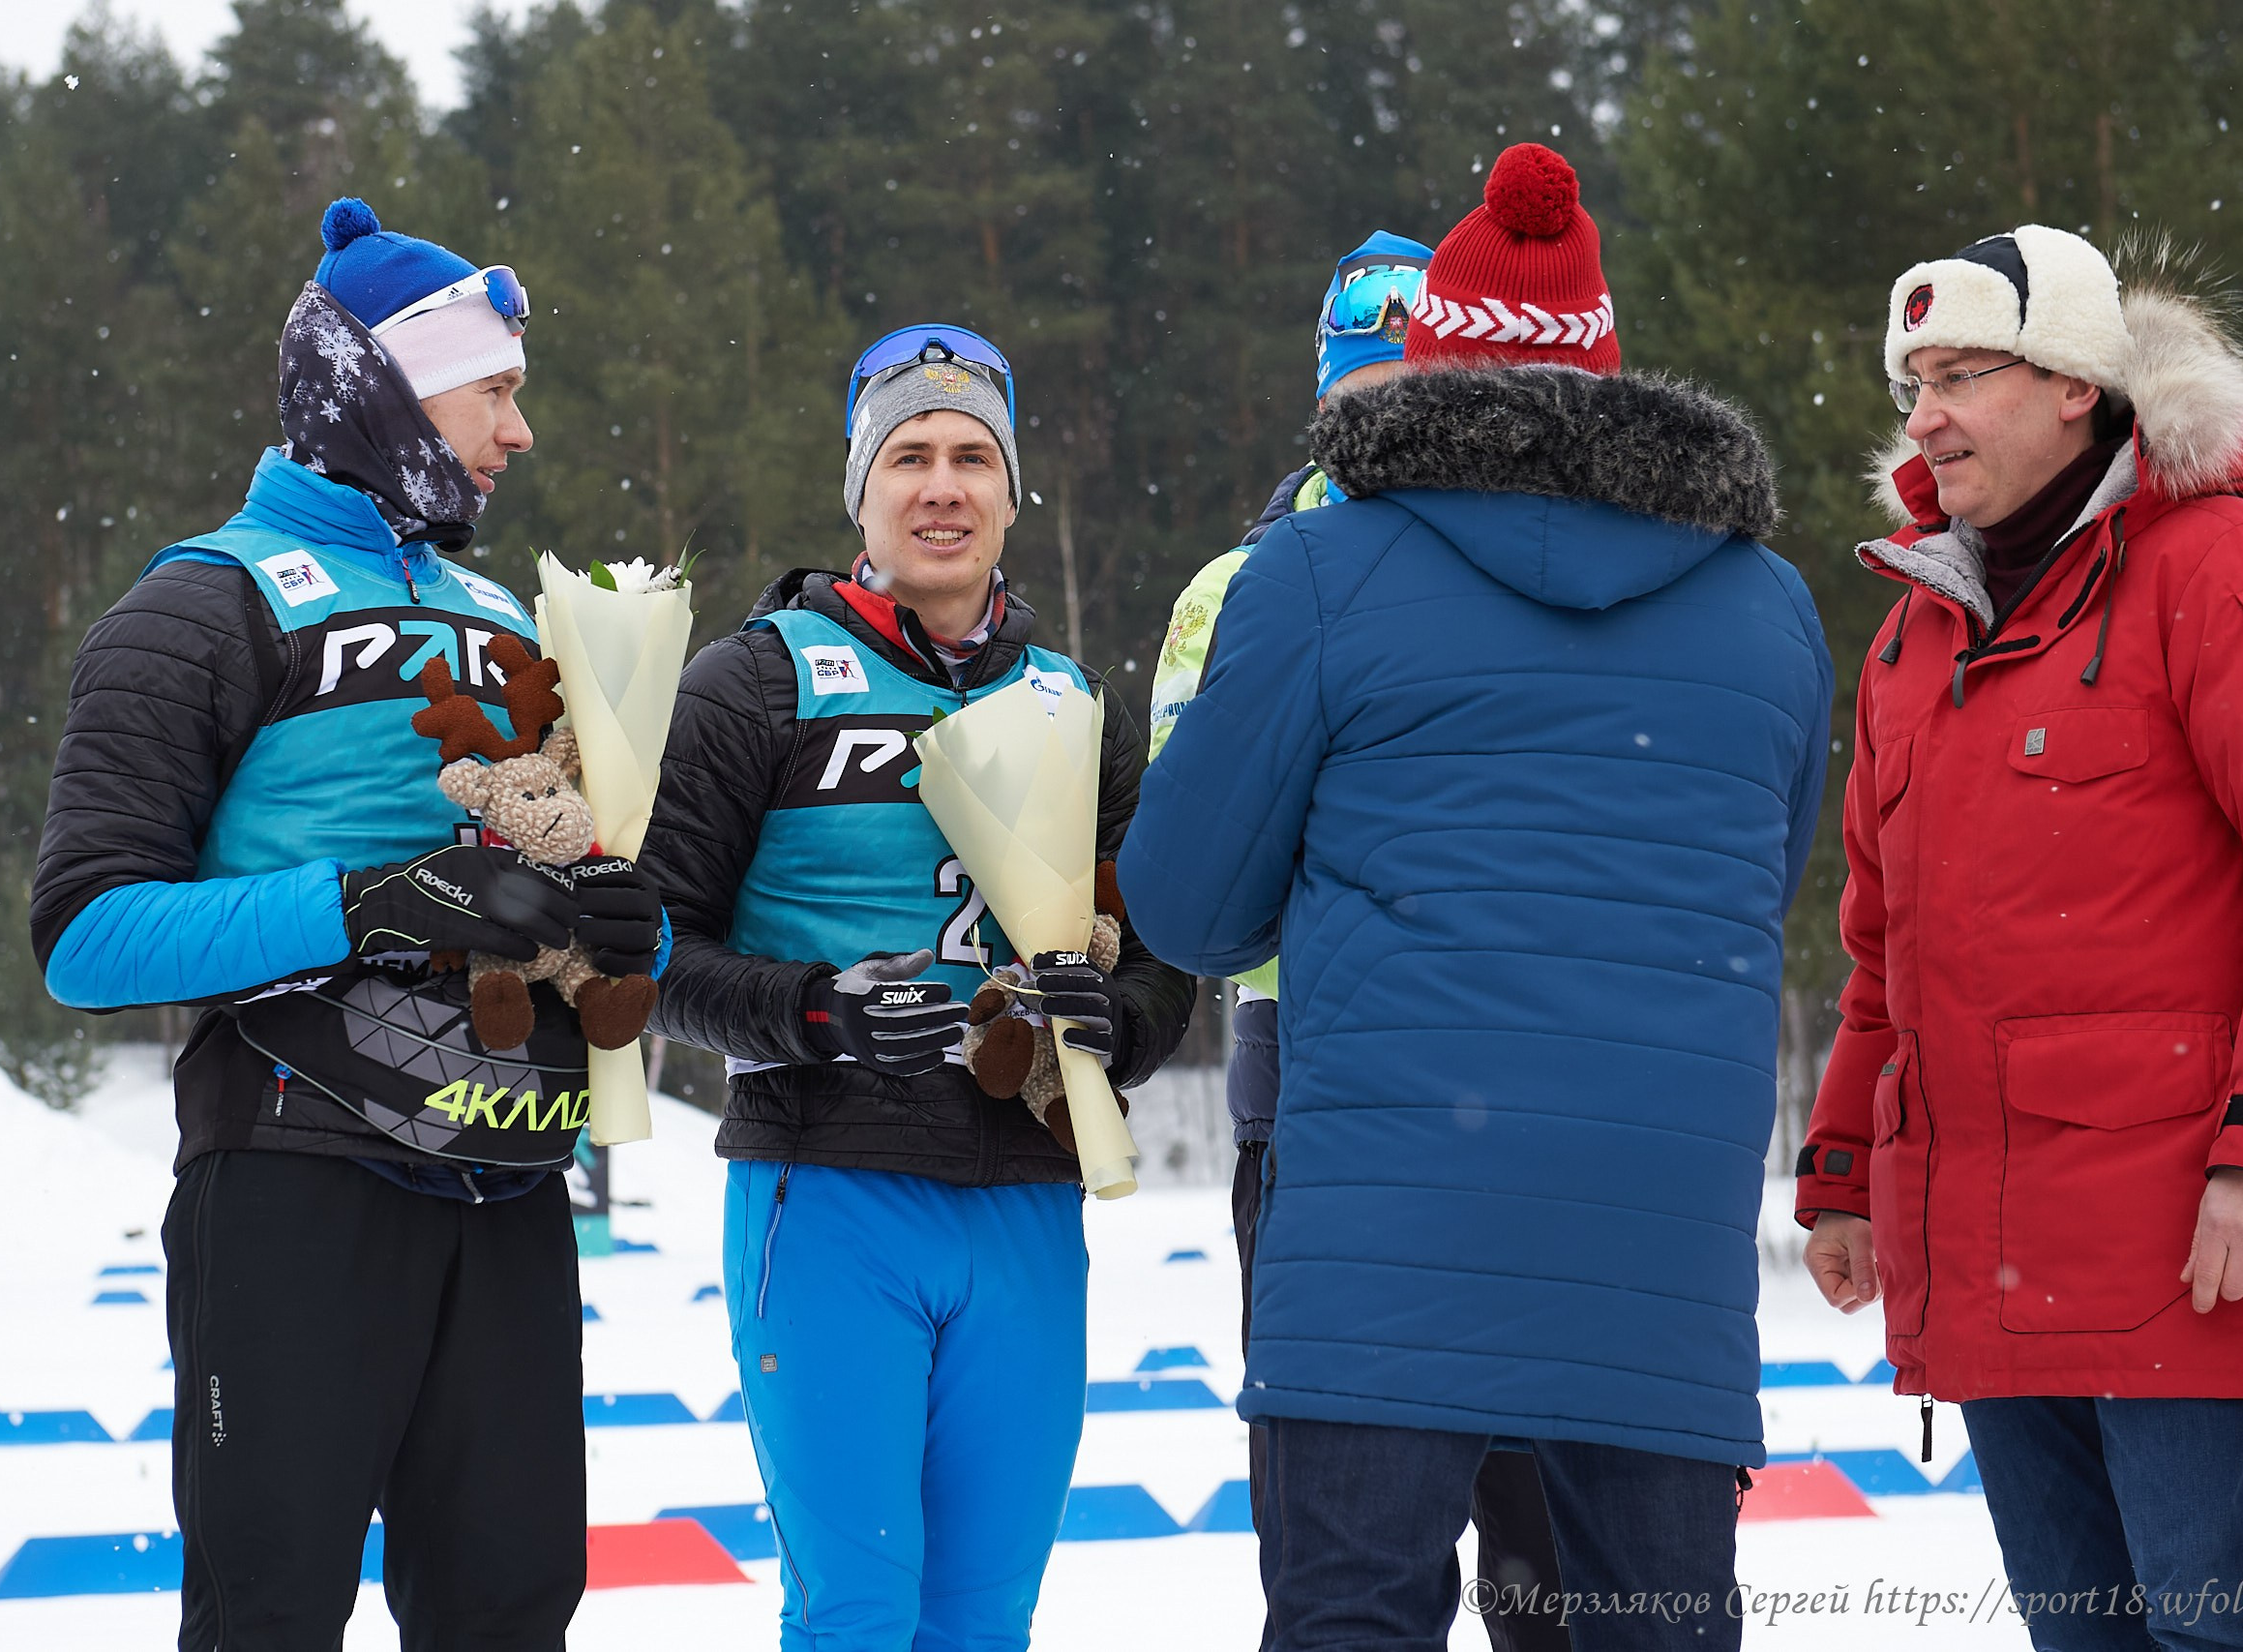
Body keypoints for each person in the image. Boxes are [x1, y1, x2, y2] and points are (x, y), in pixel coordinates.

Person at [1121, 143, 1834, 1652]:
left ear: (1432, 359)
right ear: (1608, 363)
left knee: (1355, 1621)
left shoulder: (1317, 572)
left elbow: (1186, 909)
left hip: (1385, 1237)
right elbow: (1756, 885)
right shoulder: (1769, 602)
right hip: (1655, 1247)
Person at [30, 199, 662, 1649]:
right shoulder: (199, 601)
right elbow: (88, 935)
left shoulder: (511, 611)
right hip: (295, 1177)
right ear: (379, 383)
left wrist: (633, 929)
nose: (519, 434)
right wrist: (368, 905)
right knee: (269, 1612)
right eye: (494, 391)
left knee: (509, 1613)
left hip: (509, 1191)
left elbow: (588, 905)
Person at [1797, 225, 2243, 1651]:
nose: (1922, 413)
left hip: (2183, 1239)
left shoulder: (2235, 573)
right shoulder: (1915, 634)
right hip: (1988, 1255)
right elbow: (1886, 957)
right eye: (1911, 378)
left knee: (2212, 1636)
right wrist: (1846, 1170)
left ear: (2073, 384)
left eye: (1961, 374)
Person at [637, 323, 1194, 1650]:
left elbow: (1170, 959)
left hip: (1024, 1205)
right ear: (862, 490)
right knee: (858, 1612)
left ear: (1011, 493)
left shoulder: (1074, 699)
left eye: (971, 457)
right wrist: (815, 1013)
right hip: (827, 1192)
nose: (941, 486)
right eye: (909, 457)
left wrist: (1116, 1027)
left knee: (985, 1618)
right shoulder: (759, 679)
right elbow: (644, 958)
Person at [1150, 229, 1573, 1652]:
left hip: (1536, 1103)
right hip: (1320, 1095)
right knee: (1347, 1562)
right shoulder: (1237, 589)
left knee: (1555, 1560)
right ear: (1327, 401)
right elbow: (1203, 888)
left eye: (1422, 388)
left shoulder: (1551, 571)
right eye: (1366, 392)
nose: (1398, 427)